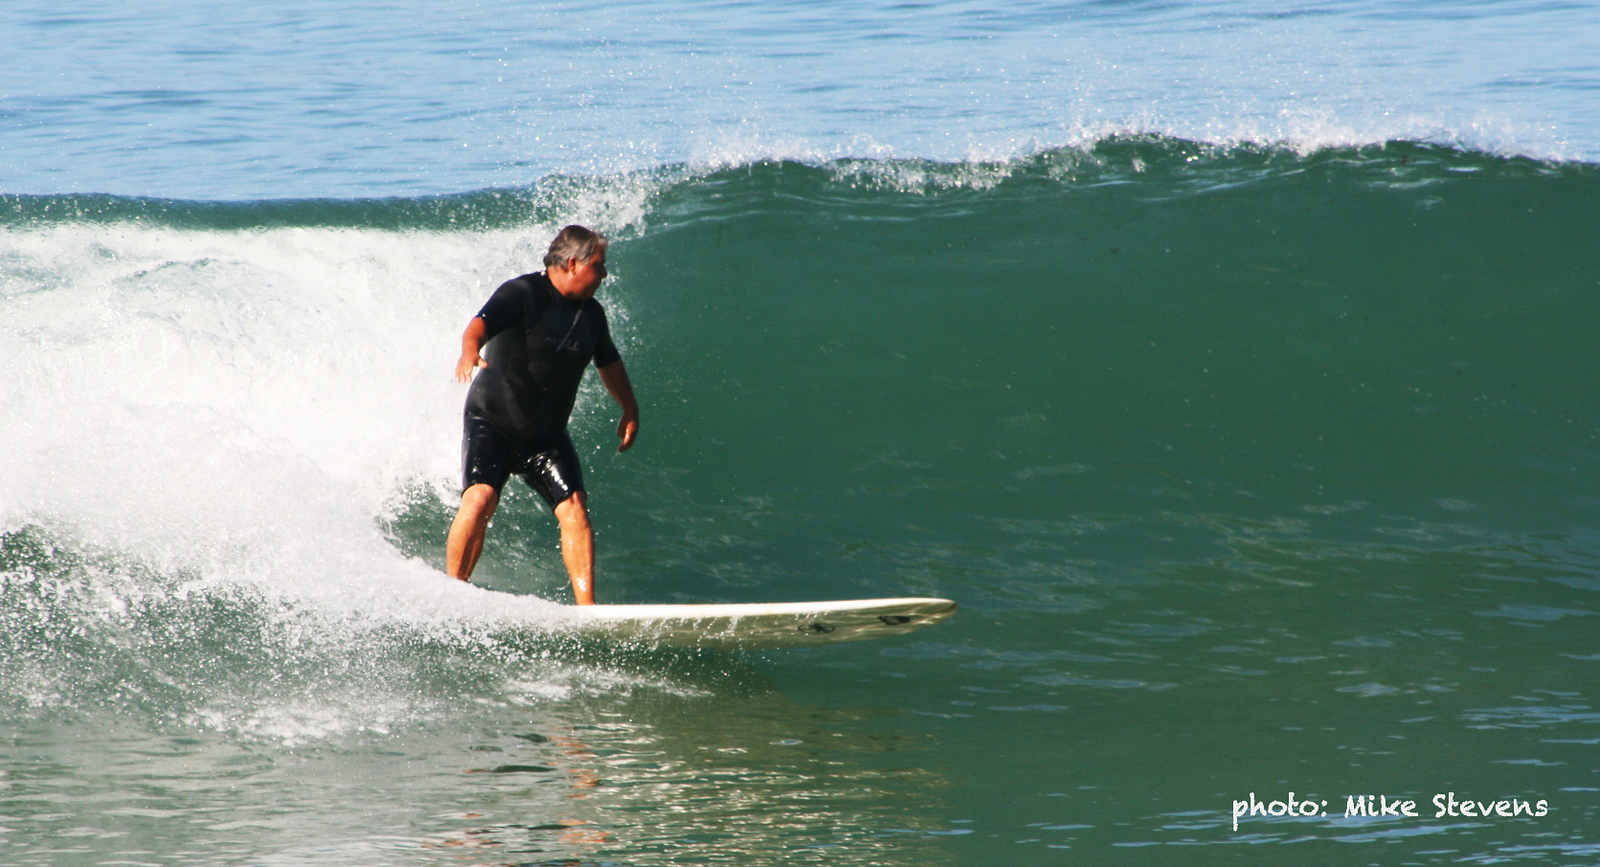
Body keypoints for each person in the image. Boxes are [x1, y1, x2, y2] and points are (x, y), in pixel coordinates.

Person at [445, 225, 638, 604]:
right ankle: (453, 592)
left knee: (575, 507)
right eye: (598, 265)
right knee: (481, 497)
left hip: (546, 436)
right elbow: (478, 325)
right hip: (492, 423)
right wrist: (469, 350)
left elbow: (608, 361)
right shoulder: (523, 293)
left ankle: (588, 610)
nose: (604, 273)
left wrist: (629, 407)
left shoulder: (592, 315)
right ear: (572, 263)